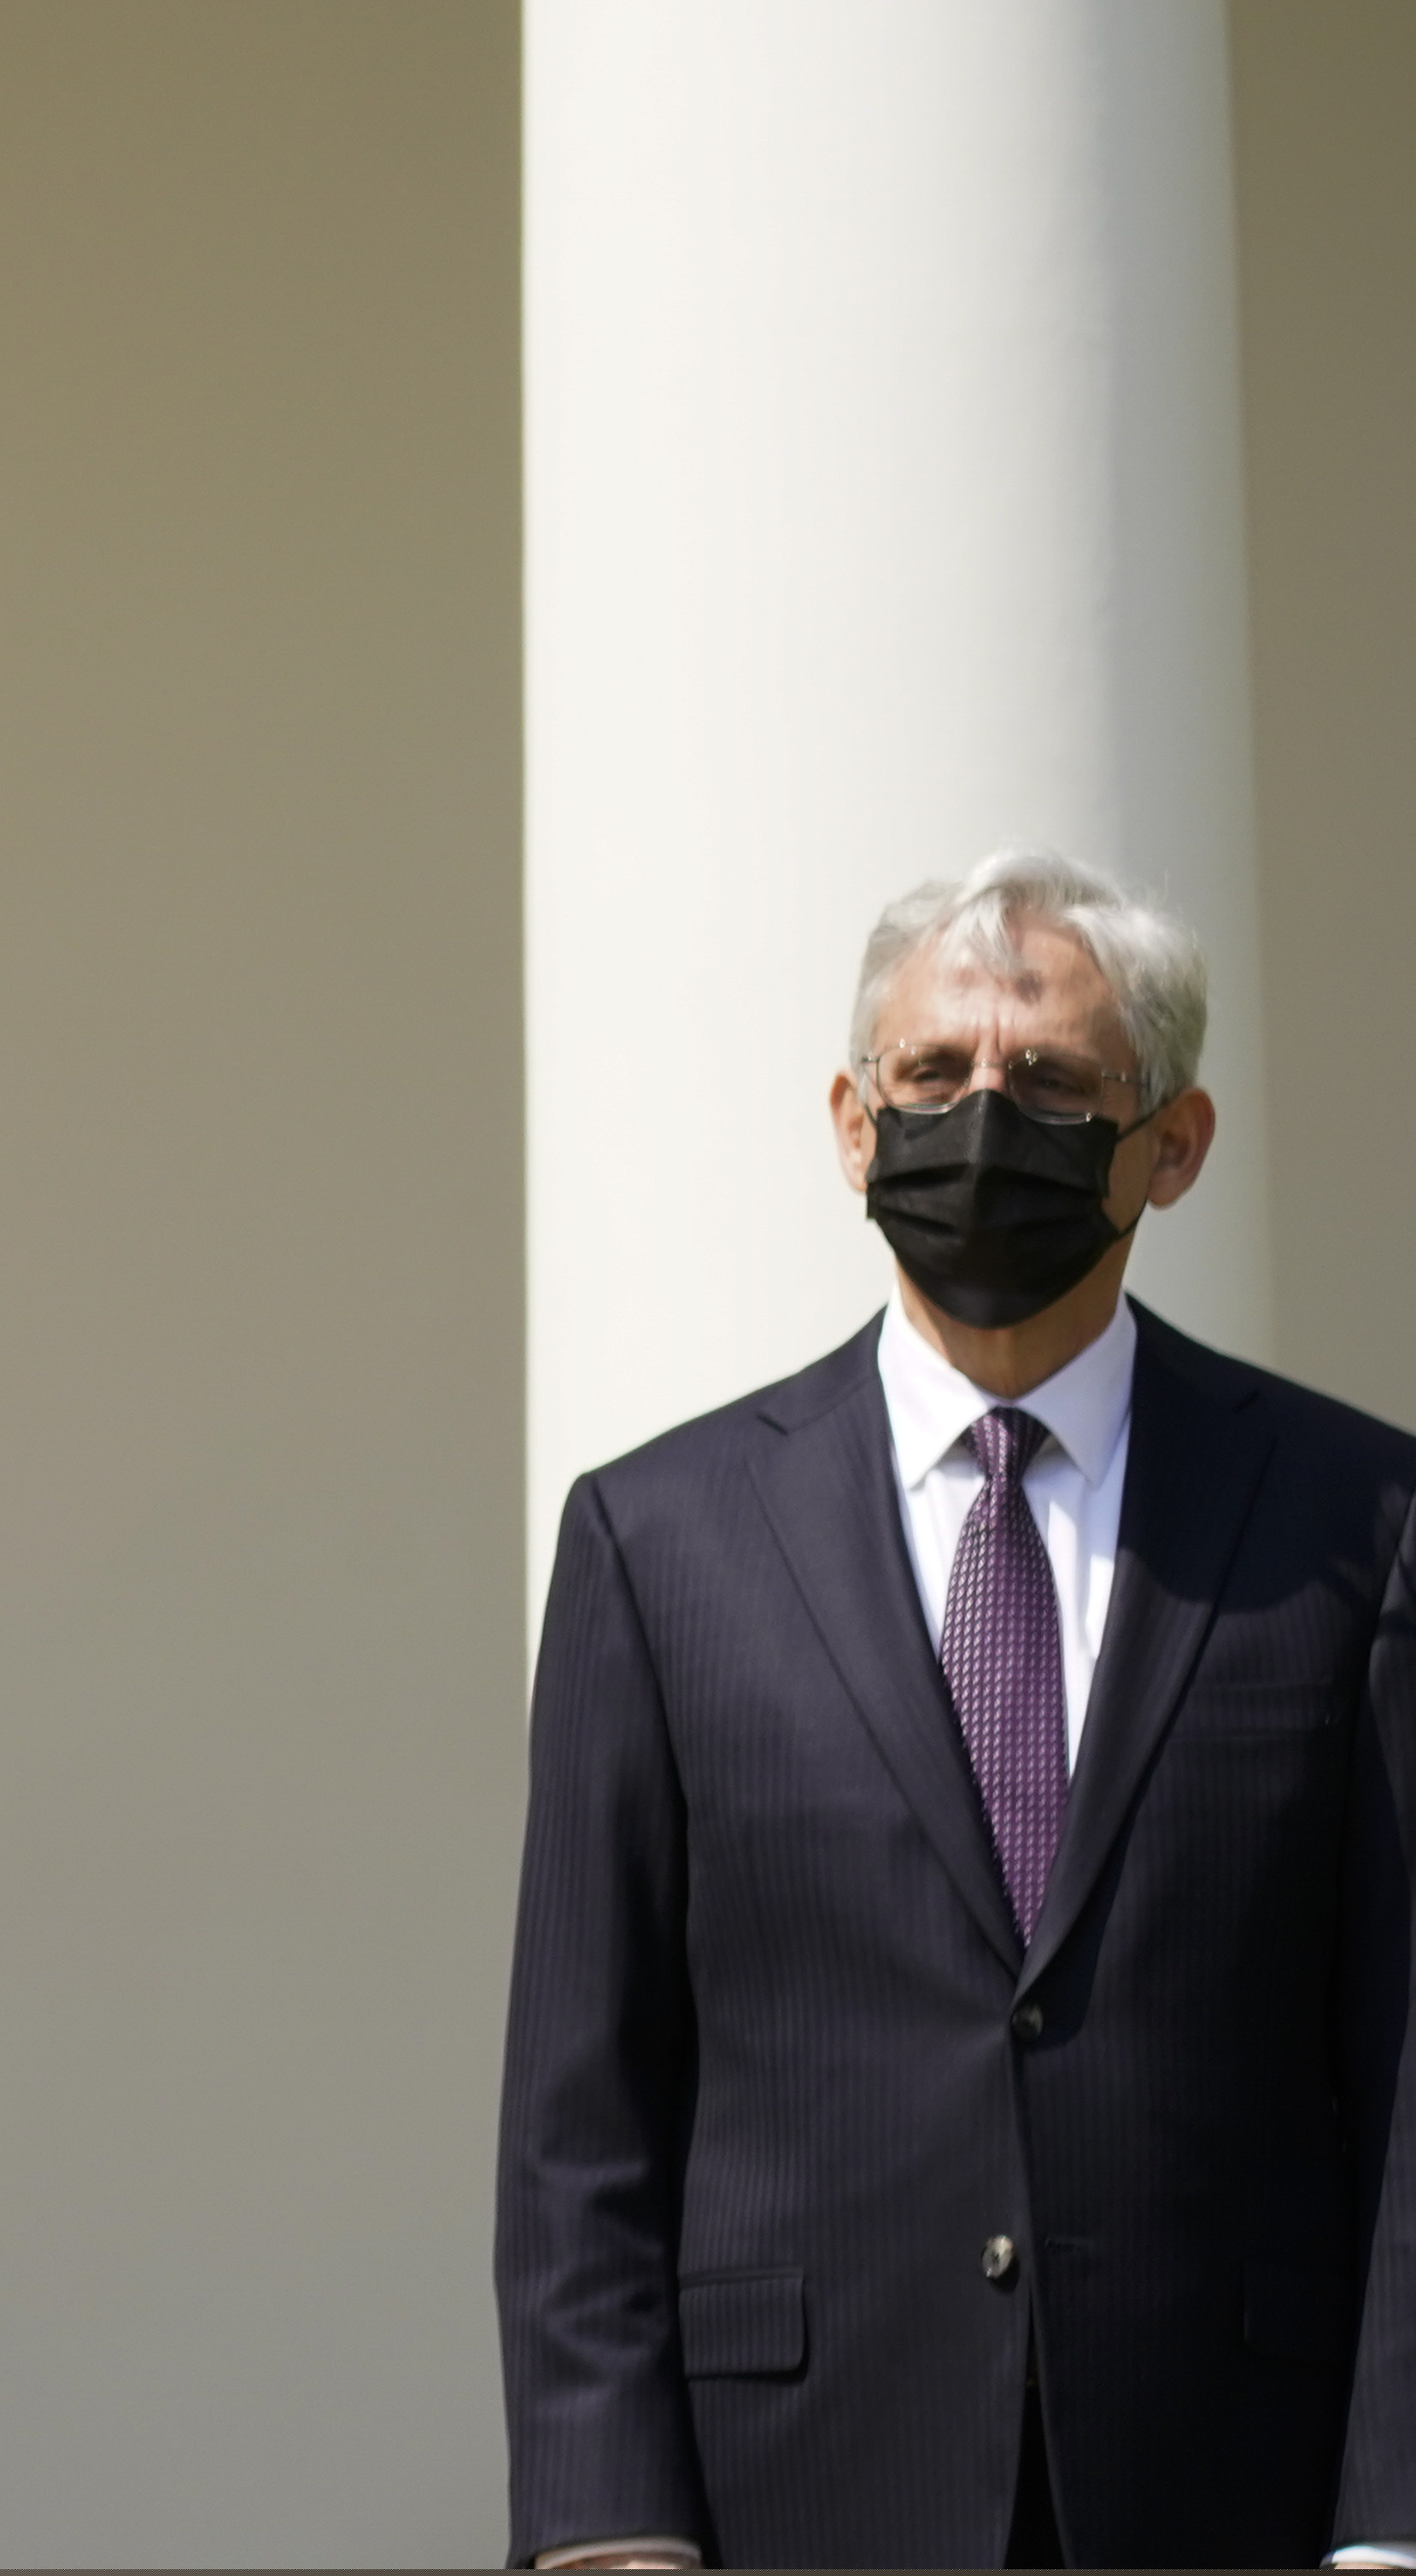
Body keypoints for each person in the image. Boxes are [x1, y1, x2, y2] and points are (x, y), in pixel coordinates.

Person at [500, 854, 1416, 2568]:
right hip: (793, 2482)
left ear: (1176, 1143)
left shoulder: (1356, 1523)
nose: (985, 1120)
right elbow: (583, 2103)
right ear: (853, 1120)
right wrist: (603, 2522)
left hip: (1233, 2483)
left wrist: (1396, 2522)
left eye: (1055, 1081)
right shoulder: (658, 1536)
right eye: (933, 1077)